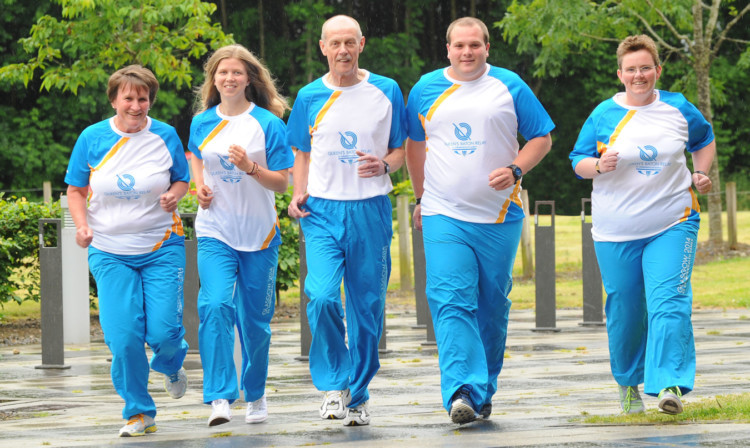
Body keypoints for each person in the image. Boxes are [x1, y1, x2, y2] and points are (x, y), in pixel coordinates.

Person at [405, 17, 554, 424]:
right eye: (459, 45)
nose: (466, 52)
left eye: (474, 45)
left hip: (499, 215)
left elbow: (542, 137)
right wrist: (420, 197)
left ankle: (483, 385)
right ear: (447, 49)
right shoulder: (424, 89)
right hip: (442, 213)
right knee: (451, 299)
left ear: (487, 48)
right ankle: (462, 392)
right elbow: (414, 146)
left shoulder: (509, 85)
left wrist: (516, 169)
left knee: (491, 305)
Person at [569, 34, 715, 416]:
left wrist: (700, 172)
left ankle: (668, 384)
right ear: (621, 74)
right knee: (627, 309)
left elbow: (705, 139)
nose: (639, 75)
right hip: (616, 231)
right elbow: (577, 160)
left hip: (674, 221)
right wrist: (598, 165)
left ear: (657, 70)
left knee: (669, 301)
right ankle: (628, 385)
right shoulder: (604, 114)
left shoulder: (678, 107)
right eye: (631, 69)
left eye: (645, 68)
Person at [286, 15, 406, 427]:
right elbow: (301, 152)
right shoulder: (308, 96)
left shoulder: (386, 90)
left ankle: (358, 393)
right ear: (323, 47)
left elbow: (399, 152)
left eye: (349, 43)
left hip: (369, 208)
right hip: (321, 210)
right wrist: (297, 192)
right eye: (335, 43)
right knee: (320, 296)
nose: (343, 50)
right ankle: (334, 384)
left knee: (367, 307)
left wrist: (385, 165)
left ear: (361, 44)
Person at [65, 65, 190, 437]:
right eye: (129, 98)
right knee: (124, 336)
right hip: (109, 249)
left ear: (150, 100)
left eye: (143, 98)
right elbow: (75, 189)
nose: (136, 106)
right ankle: (138, 412)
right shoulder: (92, 137)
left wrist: (175, 193)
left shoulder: (164, 135)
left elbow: (182, 178)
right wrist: (82, 225)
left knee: (165, 332)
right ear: (114, 99)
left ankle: (169, 364)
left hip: (161, 246)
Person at [188, 44, 293, 426]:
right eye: (222, 73)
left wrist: (250, 167)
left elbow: (282, 183)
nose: (228, 78)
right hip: (215, 230)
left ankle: (256, 393)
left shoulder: (268, 123)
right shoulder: (202, 121)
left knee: (255, 323)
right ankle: (219, 397)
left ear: (249, 78)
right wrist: (198, 185)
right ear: (213, 79)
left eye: (236, 72)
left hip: (259, 236)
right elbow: (196, 155)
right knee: (215, 305)